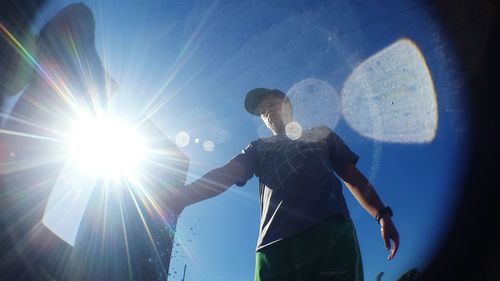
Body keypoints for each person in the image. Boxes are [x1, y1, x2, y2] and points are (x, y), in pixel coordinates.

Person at [174, 88, 400, 281]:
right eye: (262, 111)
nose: (266, 111)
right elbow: (227, 173)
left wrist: (382, 214)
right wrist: (183, 196)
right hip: (272, 248)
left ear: (287, 105)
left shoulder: (321, 135)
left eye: (271, 104)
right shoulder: (258, 147)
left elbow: (352, 176)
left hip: (329, 234)